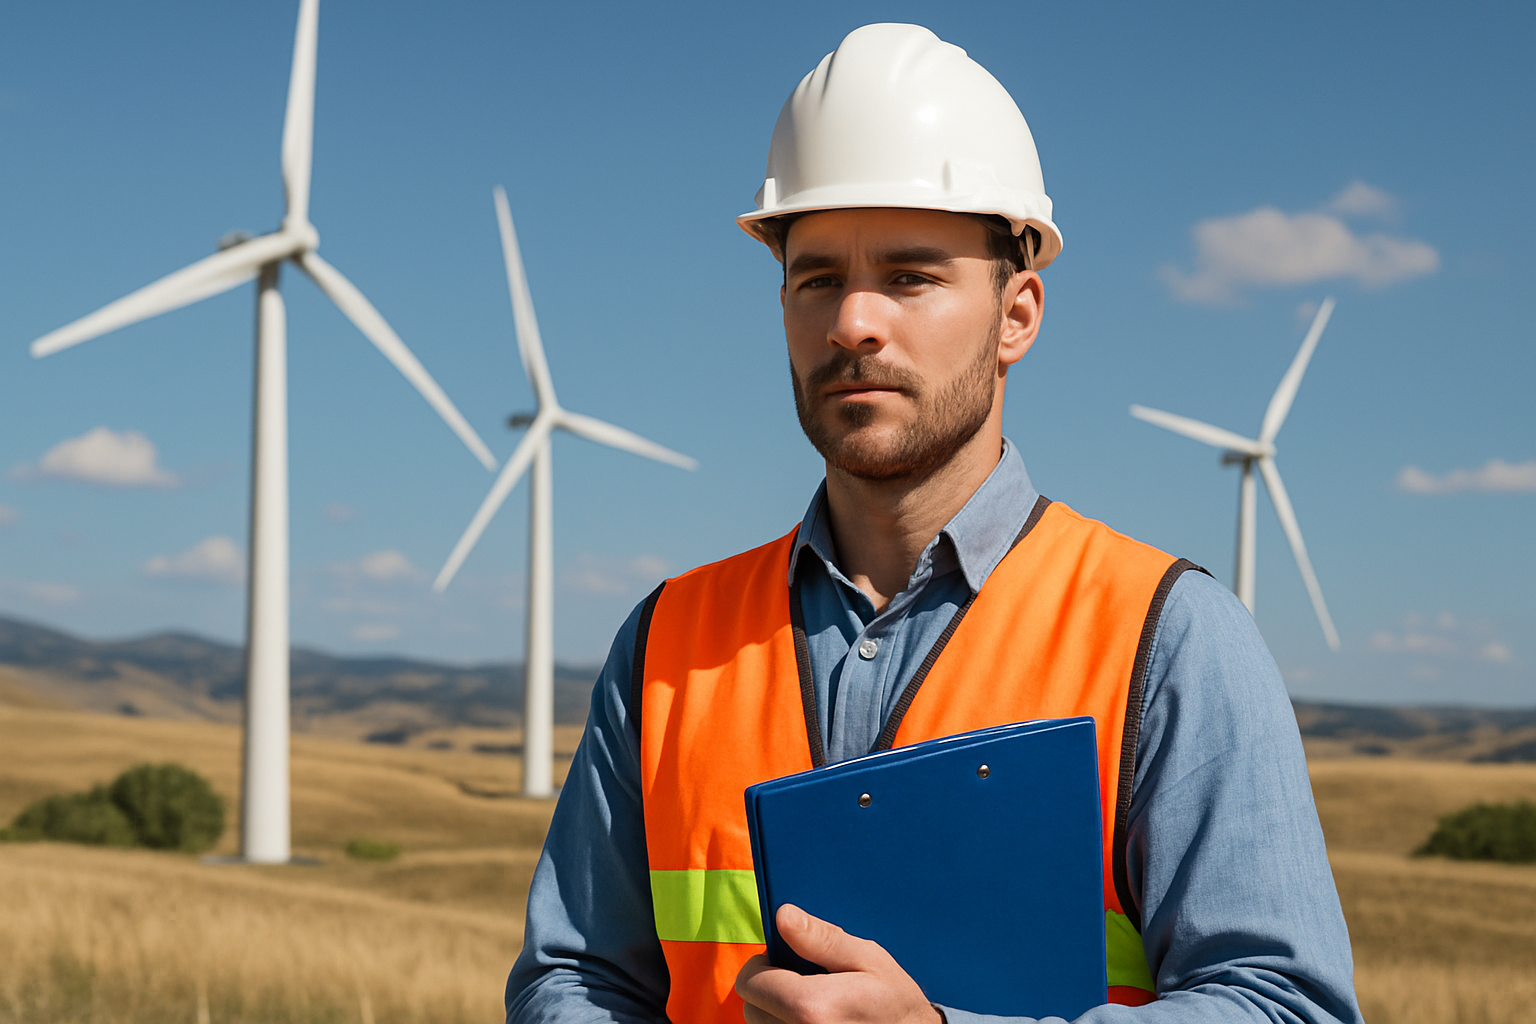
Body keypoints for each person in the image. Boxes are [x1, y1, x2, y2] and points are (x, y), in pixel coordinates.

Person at [505, 23, 1362, 1024]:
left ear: (1018, 315)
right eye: (818, 276)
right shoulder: (665, 641)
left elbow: (1284, 1006)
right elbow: (573, 978)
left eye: (911, 277)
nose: (853, 322)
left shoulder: (1168, 637)